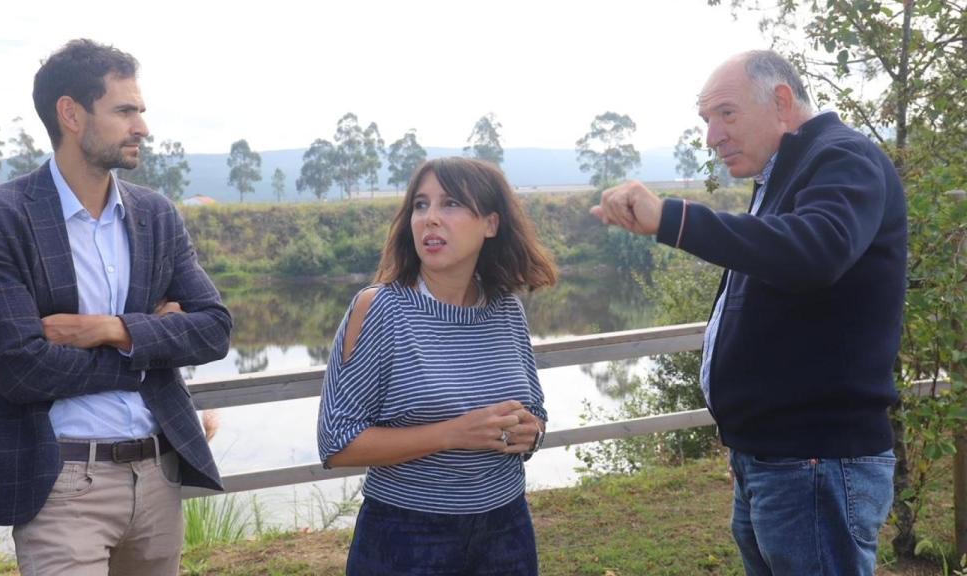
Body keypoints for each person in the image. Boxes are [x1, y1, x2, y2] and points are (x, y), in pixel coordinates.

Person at [591, 50, 906, 575]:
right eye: (706, 120)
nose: (712, 135)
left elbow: (814, 252)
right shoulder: (783, 175)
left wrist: (673, 218)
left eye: (726, 114)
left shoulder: (843, 158)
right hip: (777, 460)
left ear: (781, 101)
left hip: (815, 462)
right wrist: (747, 442)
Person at [0, 39, 232, 576]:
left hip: (158, 478)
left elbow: (214, 330)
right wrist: (151, 342)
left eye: (141, 111)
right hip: (62, 485)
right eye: (125, 110)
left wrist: (113, 329)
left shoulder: (155, 213)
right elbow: (20, 367)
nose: (142, 128)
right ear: (71, 114)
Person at [317, 157, 557, 575]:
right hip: (406, 538)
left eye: (450, 204)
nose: (430, 219)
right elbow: (337, 442)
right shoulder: (379, 309)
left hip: (507, 529)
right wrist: (454, 434)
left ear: (491, 224)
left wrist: (528, 433)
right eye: (420, 205)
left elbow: (535, 415)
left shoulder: (506, 310)